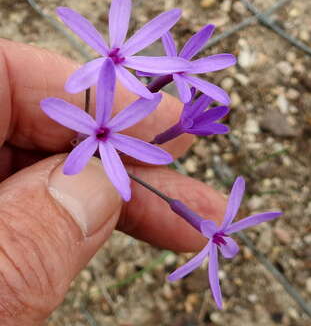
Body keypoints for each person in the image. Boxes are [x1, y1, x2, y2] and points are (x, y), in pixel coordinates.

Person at [0, 39, 226, 325]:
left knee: (153, 154)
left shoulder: (122, 99)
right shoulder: (107, 83)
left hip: (99, 145)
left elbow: (145, 131)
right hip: (88, 143)